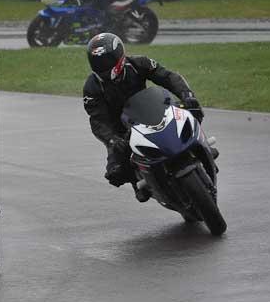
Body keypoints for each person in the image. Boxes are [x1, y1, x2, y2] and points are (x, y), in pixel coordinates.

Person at [82, 33, 204, 202]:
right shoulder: (92, 87)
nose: (102, 67)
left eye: (106, 61)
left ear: (119, 56)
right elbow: (97, 120)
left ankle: (202, 147)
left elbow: (168, 77)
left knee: (191, 110)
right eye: (97, 63)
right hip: (122, 129)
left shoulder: (139, 63)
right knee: (115, 171)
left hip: (153, 110)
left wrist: (186, 94)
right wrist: (111, 139)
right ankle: (138, 182)